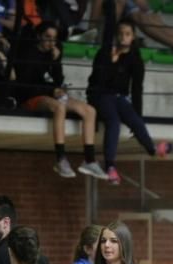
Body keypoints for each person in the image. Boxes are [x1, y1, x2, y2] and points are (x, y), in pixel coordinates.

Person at [87, 0, 173, 186]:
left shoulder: (135, 60)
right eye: (120, 34)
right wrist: (111, 61)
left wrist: (137, 115)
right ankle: (110, 166)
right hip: (100, 94)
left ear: (133, 37)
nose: (123, 38)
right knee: (114, 121)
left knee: (134, 119)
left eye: (127, 34)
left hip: (119, 97)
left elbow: (136, 89)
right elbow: (96, 80)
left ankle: (152, 149)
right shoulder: (105, 52)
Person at [13, 20, 107, 180]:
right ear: (39, 36)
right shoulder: (28, 54)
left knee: (90, 110)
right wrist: (52, 90)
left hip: (51, 94)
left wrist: (56, 61)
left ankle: (89, 160)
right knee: (59, 108)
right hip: (31, 97)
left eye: (54, 38)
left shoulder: (54, 53)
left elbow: (58, 80)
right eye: (47, 37)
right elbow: (26, 85)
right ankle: (61, 159)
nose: (51, 42)